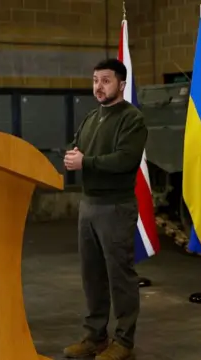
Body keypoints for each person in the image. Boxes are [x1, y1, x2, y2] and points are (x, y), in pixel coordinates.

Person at [63, 58, 148, 360]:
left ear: (122, 84)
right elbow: (76, 147)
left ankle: (123, 341)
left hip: (116, 207)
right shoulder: (91, 117)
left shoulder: (131, 119)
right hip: (89, 205)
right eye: (95, 80)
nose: (99, 86)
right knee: (92, 274)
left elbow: (125, 159)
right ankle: (94, 337)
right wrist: (74, 156)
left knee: (119, 276)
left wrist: (84, 162)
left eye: (106, 80)